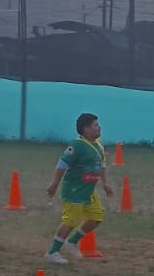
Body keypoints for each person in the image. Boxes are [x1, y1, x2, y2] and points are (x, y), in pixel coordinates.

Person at [44, 112, 113, 264]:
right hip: (74, 189)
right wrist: (54, 184)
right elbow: (62, 164)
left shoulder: (99, 145)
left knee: (96, 218)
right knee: (70, 221)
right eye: (95, 125)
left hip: (89, 190)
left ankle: (72, 241)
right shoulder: (77, 145)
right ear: (86, 128)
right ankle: (52, 252)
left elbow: (101, 165)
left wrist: (105, 183)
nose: (99, 127)